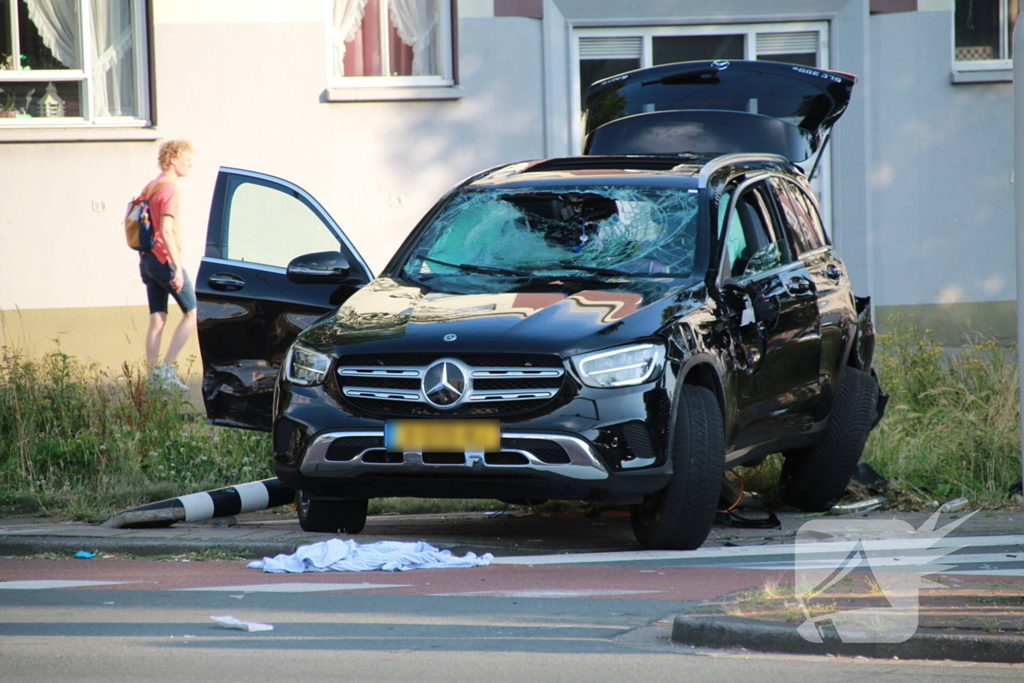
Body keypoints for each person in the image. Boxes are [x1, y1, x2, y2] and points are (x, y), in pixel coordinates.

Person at [137, 139, 196, 388]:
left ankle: (152, 377)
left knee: (157, 319)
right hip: (164, 260)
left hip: (147, 260)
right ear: (173, 159)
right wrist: (177, 267)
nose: (190, 164)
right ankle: (168, 370)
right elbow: (166, 230)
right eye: (187, 159)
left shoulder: (151, 186)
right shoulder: (170, 189)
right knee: (192, 313)